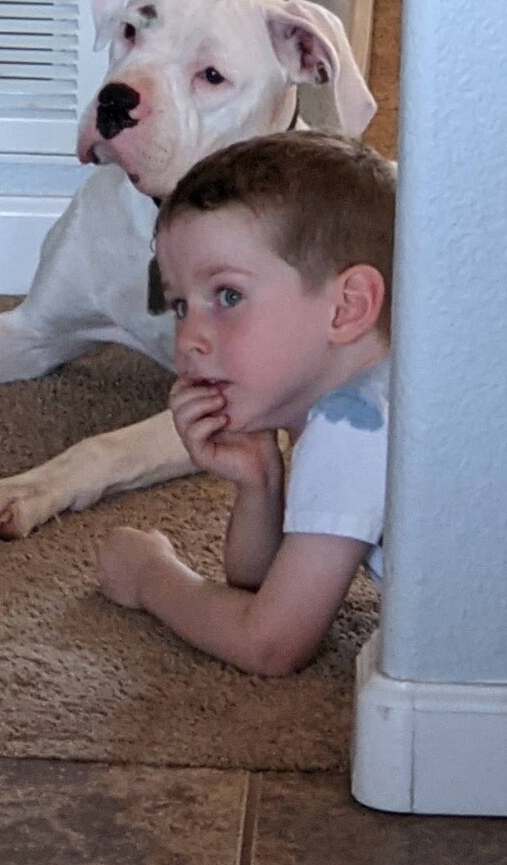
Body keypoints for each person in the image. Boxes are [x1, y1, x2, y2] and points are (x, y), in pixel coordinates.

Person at [95, 130, 396, 676]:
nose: (188, 339)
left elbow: (270, 644)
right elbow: (261, 588)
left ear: (348, 307)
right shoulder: (382, 396)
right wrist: (261, 484)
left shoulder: (354, 425)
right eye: (181, 305)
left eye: (228, 296)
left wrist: (151, 577)